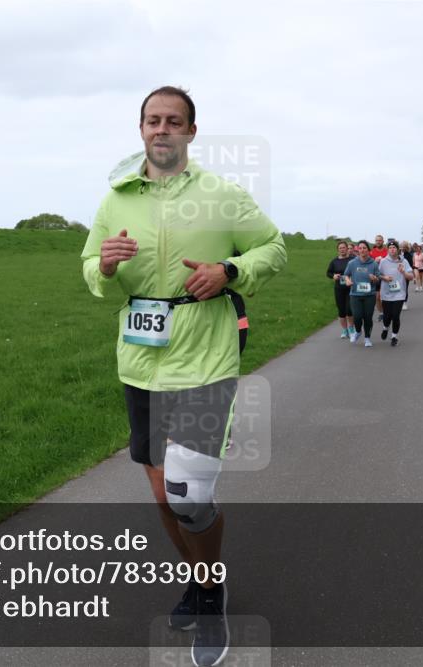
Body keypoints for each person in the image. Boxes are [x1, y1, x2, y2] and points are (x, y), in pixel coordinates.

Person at [80, 86, 286, 667]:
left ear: (192, 132)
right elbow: (89, 269)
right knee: (161, 495)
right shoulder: (115, 199)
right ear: (140, 129)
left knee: (188, 494)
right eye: (153, 120)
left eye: (174, 121)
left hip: (204, 354)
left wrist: (230, 270)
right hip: (140, 357)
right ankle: (201, 582)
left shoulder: (221, 194)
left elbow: (273, 247)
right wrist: (105, 265)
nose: (162, 129)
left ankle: (213, 594)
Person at [344, 240, 381, 347]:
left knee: (368, 317)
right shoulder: (352, 263)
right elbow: (346, 275)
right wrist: (347, 280)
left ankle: (367, 338)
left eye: (364, 248)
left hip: (369, 295)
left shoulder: (373, 263)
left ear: (368, 250)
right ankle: (358, 331)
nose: (362, 250)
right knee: (357, 316)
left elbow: (378, 277)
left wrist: (375, 278)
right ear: (358, 250)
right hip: (355, 294)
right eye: (360, 248)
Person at [378, 241, 414, 346]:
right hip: (386, 293)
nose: (392, 249)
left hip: (399, 293)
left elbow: (411, 277)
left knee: (395, 315)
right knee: (387, 316)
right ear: (388, 249)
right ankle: (385, 328)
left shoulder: (404, 261)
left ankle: (394, 336)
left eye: (394, 247)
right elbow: (378, 274)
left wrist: (403, 272)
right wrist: (384, 277)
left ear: (397, 249)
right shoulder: (383, 261)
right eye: (390, 247)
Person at [327, 240, 355, 339]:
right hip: (339, 288)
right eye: (340, 248)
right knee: (341, 310)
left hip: (350, 288)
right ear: (338, 250)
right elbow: (329, 273)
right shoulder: (334, 261)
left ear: (347, 248)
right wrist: (333, 276)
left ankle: (351, 328)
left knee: (349, 309)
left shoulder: (352, 260)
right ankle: (344, 330)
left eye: (343, 248)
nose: (342, 250)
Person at [400, 241, 414, 311]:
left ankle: (404, 302)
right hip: (398, 274)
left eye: (404, 247)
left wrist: (408, 273)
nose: (402, 248)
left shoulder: (408, 255)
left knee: (405, 288)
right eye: (401, 246)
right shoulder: (398, 254)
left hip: (406, 274)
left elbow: (411, 265)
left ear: (406, 248)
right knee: (399, 288)